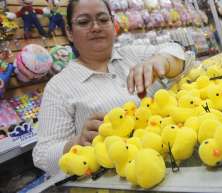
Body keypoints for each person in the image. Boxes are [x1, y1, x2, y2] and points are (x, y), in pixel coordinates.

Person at [32, 0, 187, 176]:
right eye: (84, 22)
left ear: (113, 25)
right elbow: (42, 155)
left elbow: (180, 54)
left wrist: (162, 61)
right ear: (69, 32)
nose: (96, 27)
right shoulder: (59, 87)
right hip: (120, 179)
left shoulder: (134, 54)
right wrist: (76, 142)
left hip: (176, 159)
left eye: (103, 19)